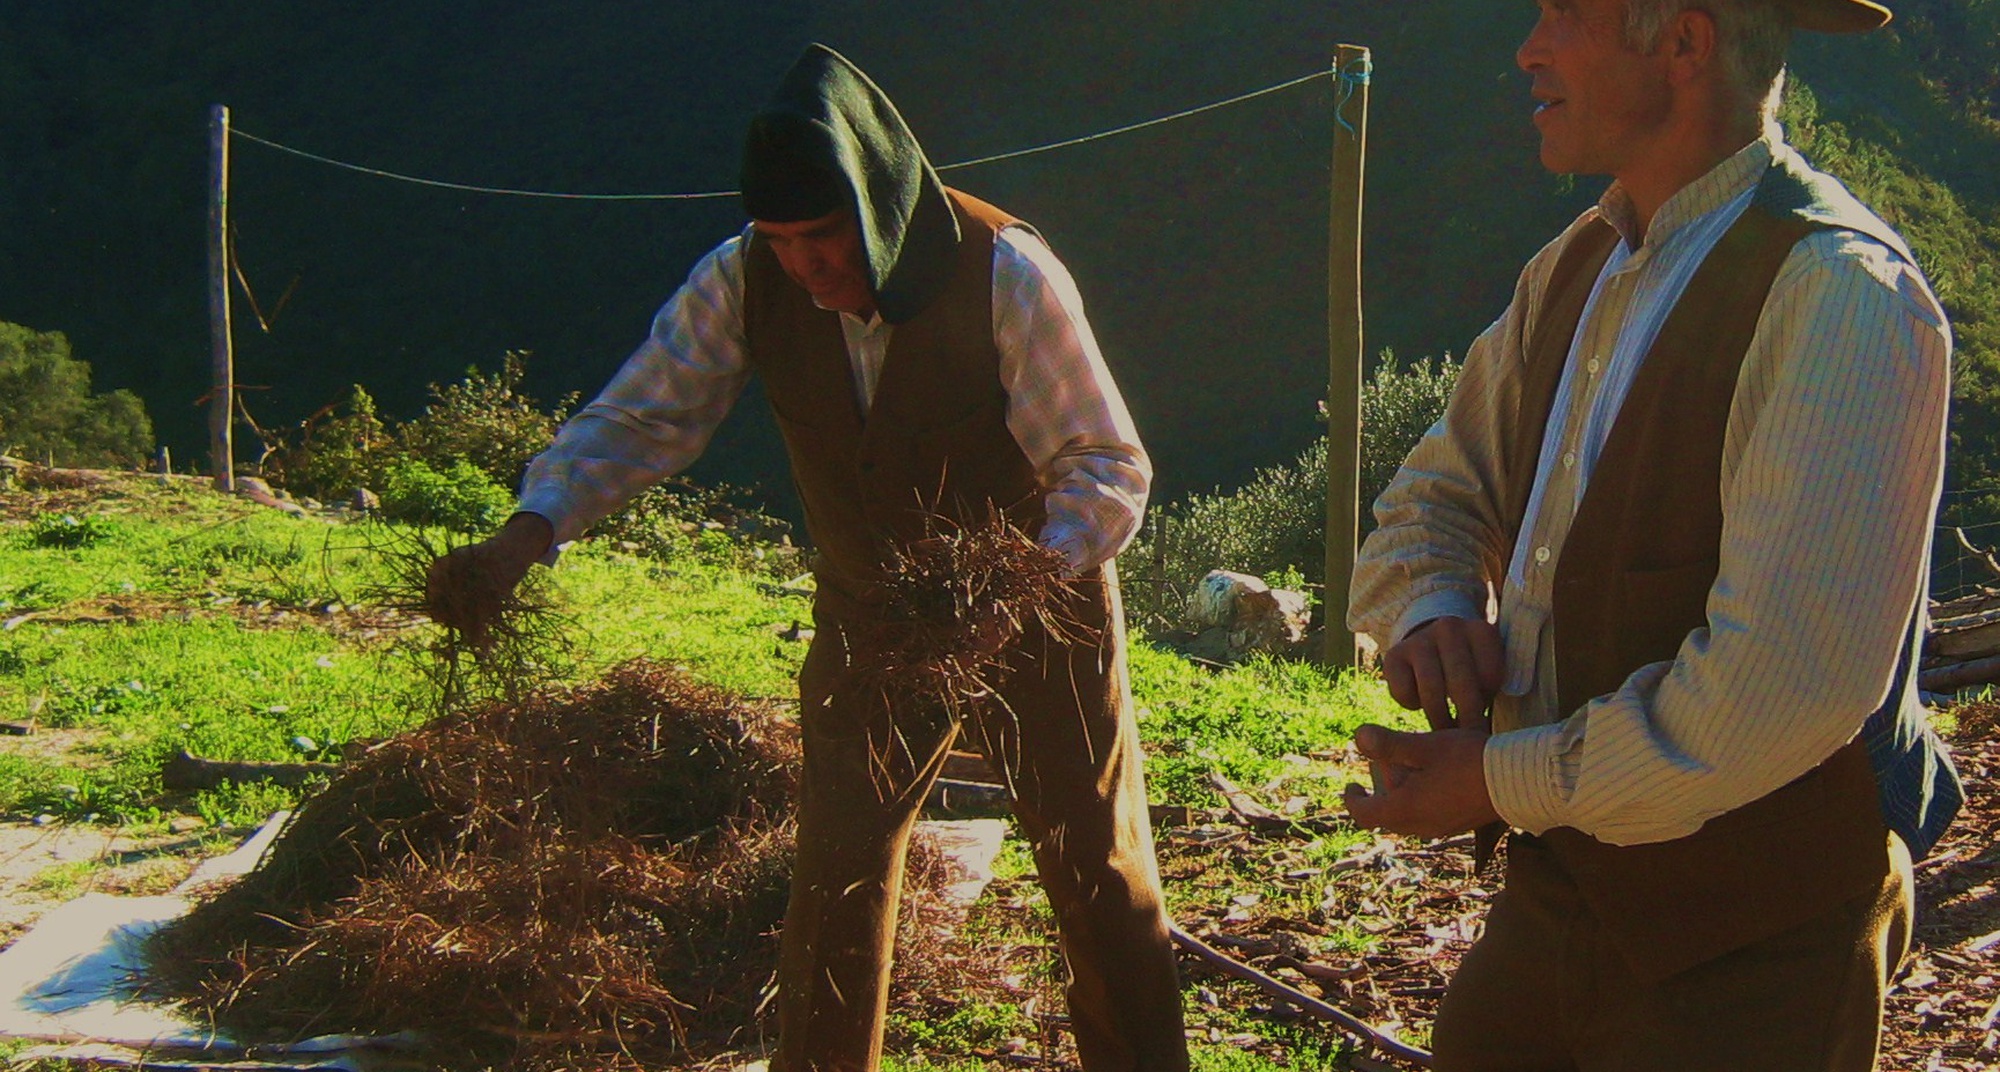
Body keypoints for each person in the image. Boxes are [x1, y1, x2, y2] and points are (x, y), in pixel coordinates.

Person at [426, 43, 1188, 1072]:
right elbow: (643, 417)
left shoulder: (1003, 273)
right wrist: (525, 536)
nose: (804, 267)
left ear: (878, 210)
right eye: (782, 241)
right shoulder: (742, 277)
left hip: (1033, 603)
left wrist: (1022, 586)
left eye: (823, 238)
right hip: (870, 616)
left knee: (1093, 867)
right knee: (836, 876)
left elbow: (1104, 465)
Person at [1340, 0, 1963, 1068]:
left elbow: (1770, 696)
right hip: (1558, 891)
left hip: (1751, 940)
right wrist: (1435, 605)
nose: (1528, 49)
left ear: (1682, 42)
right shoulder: (1579, 263)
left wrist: (1493, 779)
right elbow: (1435, 494)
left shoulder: (1841, 296)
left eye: (1565, 14)